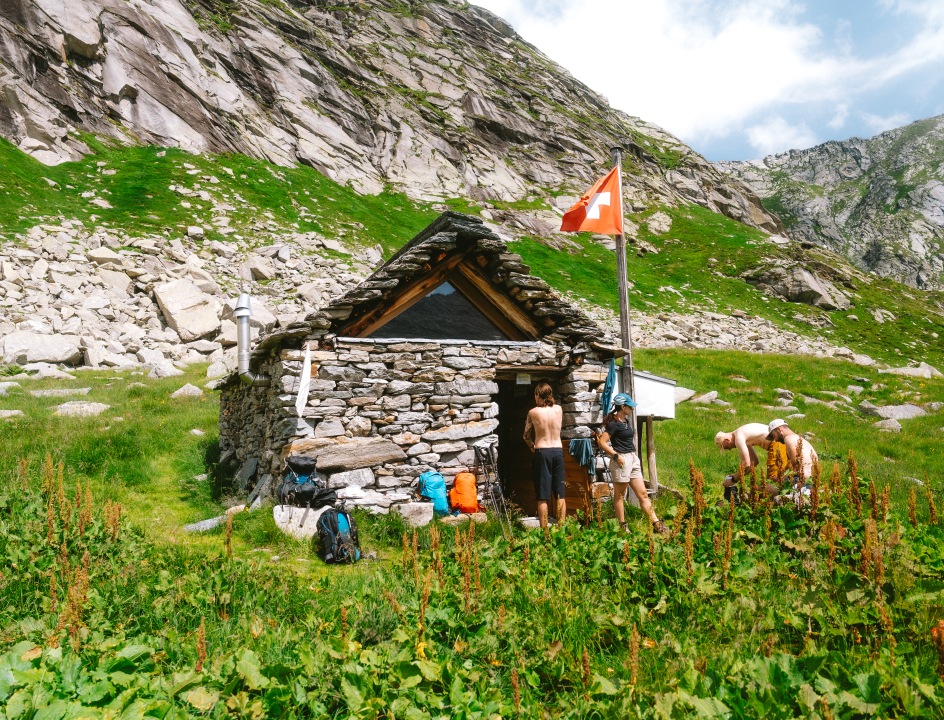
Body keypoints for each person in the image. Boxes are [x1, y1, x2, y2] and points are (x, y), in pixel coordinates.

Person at [596, 393, 666, 534]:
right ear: (623, 406)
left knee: (643, 494)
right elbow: (602, 442)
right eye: (630, 406)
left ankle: (657, 525)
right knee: (620, 496)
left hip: (633, 459)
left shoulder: (625, 421)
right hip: (621, 461)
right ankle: (623, 528)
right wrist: (616, 456)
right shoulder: (613, 424)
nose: (633, 409)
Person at [523, 380, 565, 528]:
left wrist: (531, 447)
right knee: (560, 494)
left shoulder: (533, 412)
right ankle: (562, 528)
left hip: (542, 451)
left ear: (538, 395)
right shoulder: (559, 409)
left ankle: (545, 530)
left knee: (542, 495)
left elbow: (526, 436)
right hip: (558, 451)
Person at [714, 423, 779, 499]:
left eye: (726, 447)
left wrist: (734, 479)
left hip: (776, 444)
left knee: (772, 484)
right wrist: (738, 476)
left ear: (727, 440)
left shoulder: (739, 437)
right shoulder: (742, 436)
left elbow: (746, 463)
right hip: (775, 444)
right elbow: (754, 461)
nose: (729, 449)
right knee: (771, 484)